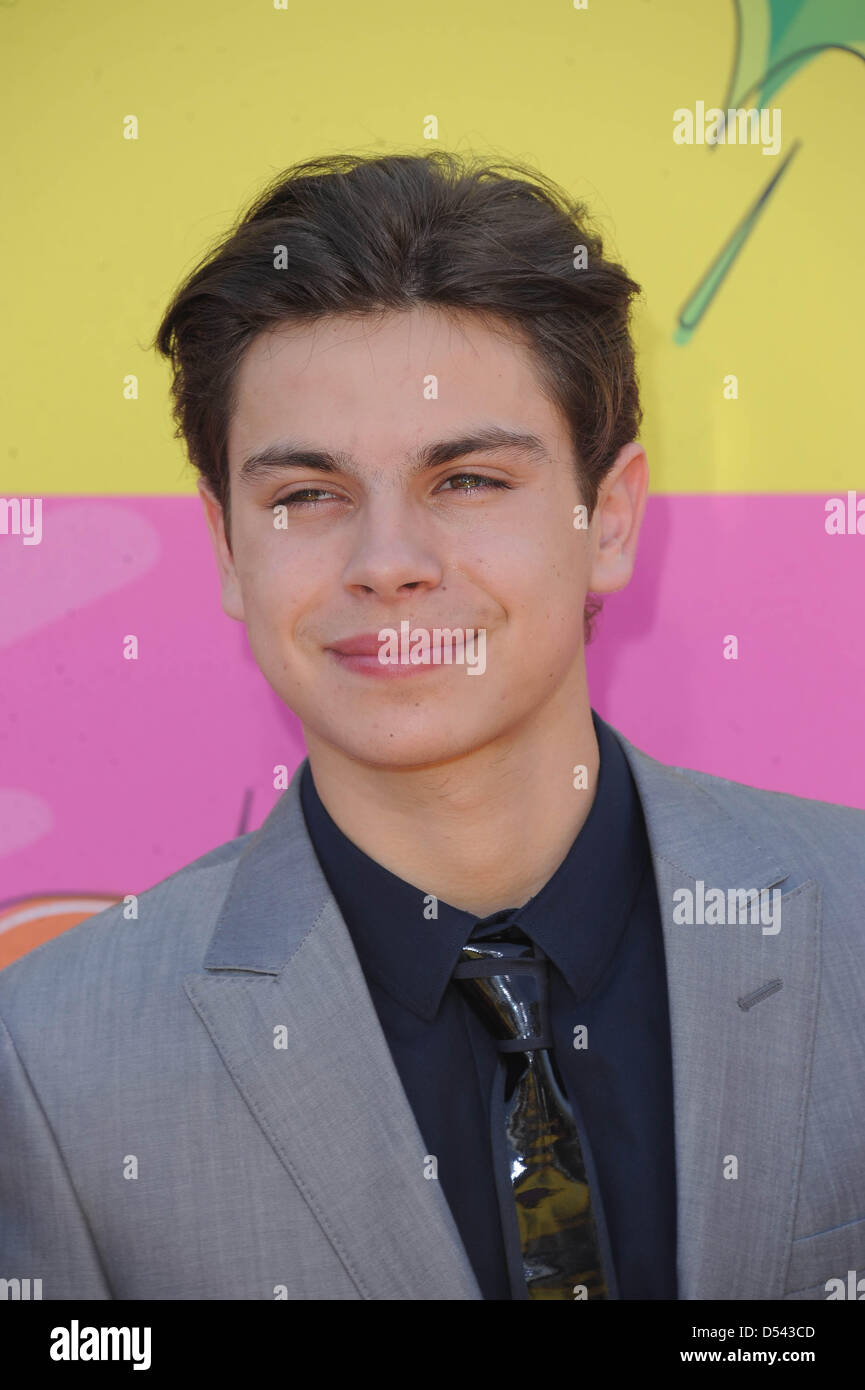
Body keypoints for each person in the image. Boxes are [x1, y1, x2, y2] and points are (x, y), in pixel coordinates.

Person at [1, 151, 863, 1302]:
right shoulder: (50, 1062)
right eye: (307, 495)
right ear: (224, 548)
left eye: (465, 479)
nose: (388, 564)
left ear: (607, 518)